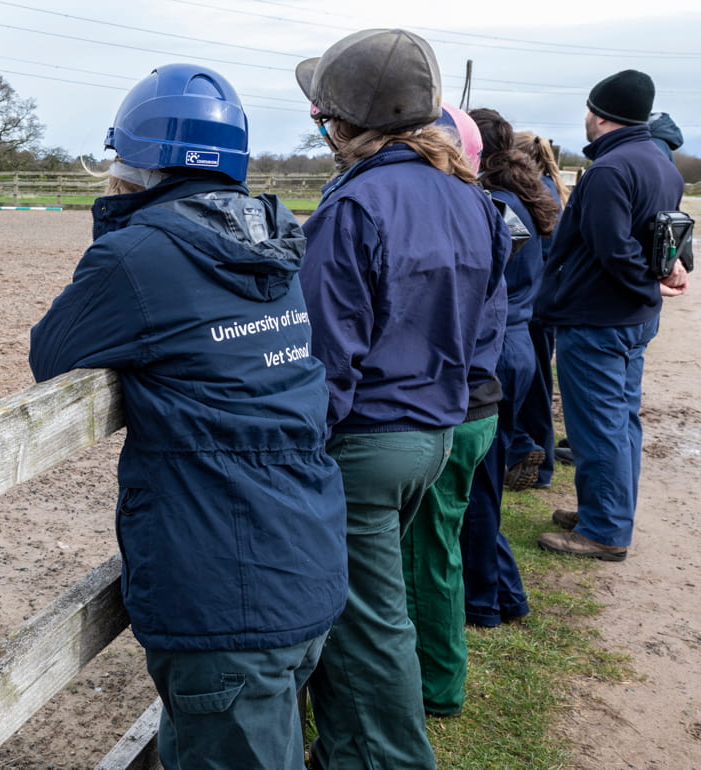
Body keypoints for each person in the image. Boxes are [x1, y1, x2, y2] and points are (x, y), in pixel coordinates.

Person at [29, 64, 347, 769]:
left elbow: (51, 353)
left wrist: (118, 225)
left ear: (135, 160)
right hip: (302, 558)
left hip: (222, 589)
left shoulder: (139, 254)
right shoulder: (276, 239)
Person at [294, 29, 508, 768]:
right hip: (435, 432)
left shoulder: (352, 206)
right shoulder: (470, 198)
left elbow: (326, 356)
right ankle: (351, 746)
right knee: (376, 610)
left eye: (323, 117)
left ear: (347, 121)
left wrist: (297, 448)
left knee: (367, 623)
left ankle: (384, 756)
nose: (320, 130)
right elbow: (485, 324)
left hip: (365, 441)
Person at [535, 70, 686, 561]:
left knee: (596, 426)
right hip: (635, 318)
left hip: (598, 318)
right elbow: (671, 235)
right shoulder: (664, 166)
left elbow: (612, 250)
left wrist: (649, 278)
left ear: (599, 114)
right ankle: (607, 510)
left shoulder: (609, 170)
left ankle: (603, 529)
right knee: (621, 421)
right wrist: (663, 274)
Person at [400, 102, 508, 718]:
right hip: (476, 403)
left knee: (428, 558)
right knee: (438, 548)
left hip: (453, 410)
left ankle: (436, 685)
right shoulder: (480, 216)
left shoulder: (436, 223)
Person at [460, 108, 560, 631]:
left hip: (497, 349)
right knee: (486, 481)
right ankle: (500, 593)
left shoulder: (493, 206)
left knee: (478, 487)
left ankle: (487, 598)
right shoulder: (524, 199)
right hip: (520, 343)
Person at [508, 131, 568, 489]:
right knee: (539, 387)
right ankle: (532, 455)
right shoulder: (551, 189)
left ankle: (527, 451)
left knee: (531, 390)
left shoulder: (528, 194)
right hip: (544, 304)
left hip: (530, 305)